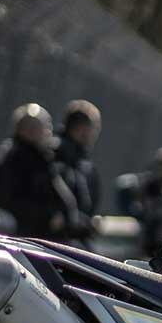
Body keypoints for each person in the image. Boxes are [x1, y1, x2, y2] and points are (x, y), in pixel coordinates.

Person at [0, 103, 79, 238]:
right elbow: (10, 199)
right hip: (28, 237)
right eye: (44, 127)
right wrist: (48, 217)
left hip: (45, 235)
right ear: (27, 130)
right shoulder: (14, 157)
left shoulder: (41, 156)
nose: (49, 132)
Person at [54, 100, 102, 243]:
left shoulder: (80, 160)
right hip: (58, 238)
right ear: (81, 128)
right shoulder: (58, 155)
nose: (95, 134)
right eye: (94, 128)